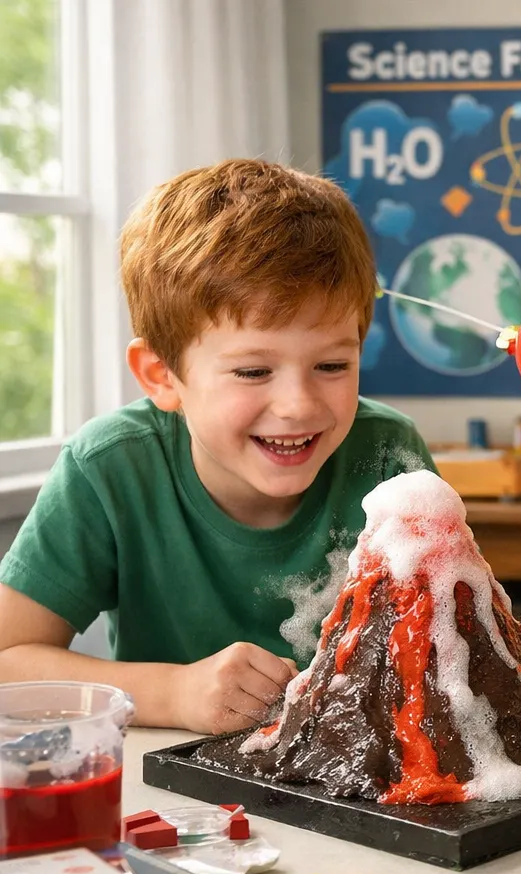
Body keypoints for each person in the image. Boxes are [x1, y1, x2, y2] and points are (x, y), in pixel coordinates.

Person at [0, 158, 435, 735]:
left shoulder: (389, 457)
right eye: (254, 371)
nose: (299, 405)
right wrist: (174, 694)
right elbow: (9, 664)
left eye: (332, 364)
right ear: (161, 376)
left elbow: (447, 652)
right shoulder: (110, 467)